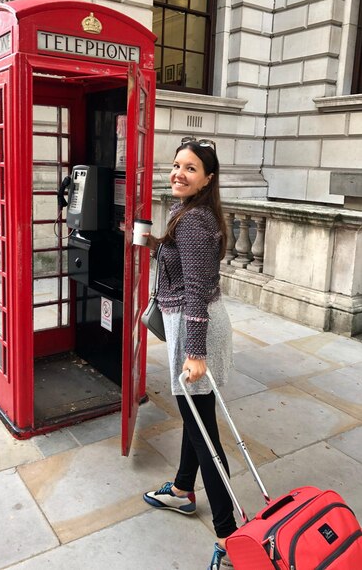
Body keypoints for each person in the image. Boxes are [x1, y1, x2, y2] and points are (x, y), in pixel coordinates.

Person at [142, 136, 237, 570]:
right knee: (194, 416)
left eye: (191, 168)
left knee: (205, 436)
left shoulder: (196, 221)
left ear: (208, 178)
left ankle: (229, 535)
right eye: (177, 164)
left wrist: (194, 353)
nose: (178, 173)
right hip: (193, 327)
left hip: (197, 332)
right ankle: (182, 490)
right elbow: (183, 263)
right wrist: (151, 244)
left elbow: (197, 288)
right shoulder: (190, 212)